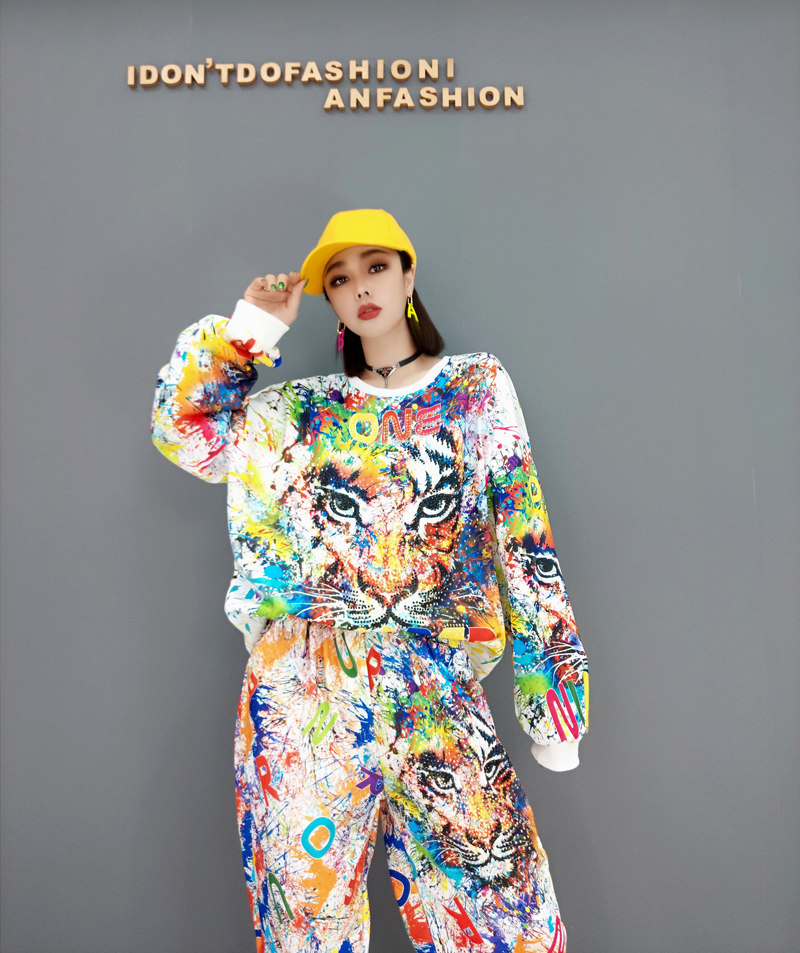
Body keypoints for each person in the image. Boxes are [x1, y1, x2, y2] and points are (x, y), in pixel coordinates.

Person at [151, 209, 588, 953]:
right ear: (327, 298)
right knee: (306, 928)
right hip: (302, 691)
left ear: (409, 275)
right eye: (339, 277)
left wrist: (555, 707)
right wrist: (250, 330)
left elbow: (525, 538)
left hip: (436, 682)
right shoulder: (294, 412)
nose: (360, 287)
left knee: (508, 921)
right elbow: (185, 430)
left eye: (376, 266)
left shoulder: (476, 388)